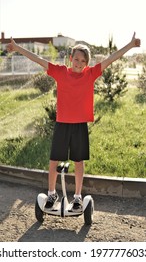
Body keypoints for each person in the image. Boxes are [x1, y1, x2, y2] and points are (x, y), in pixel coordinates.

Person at [7, 32, 140, 211]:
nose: (78, 63)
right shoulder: (61, 72)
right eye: (76, 59)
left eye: (82, 61)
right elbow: (39, 59)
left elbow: (111, 58)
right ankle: (52, 193)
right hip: (62, 124)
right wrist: (17, 48)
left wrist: (130, 45)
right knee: (54, 160)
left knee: (79, 161)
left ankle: (77, 196)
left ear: (87, 63)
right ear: (70, 59)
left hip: (79, 126)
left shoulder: (91, 74)